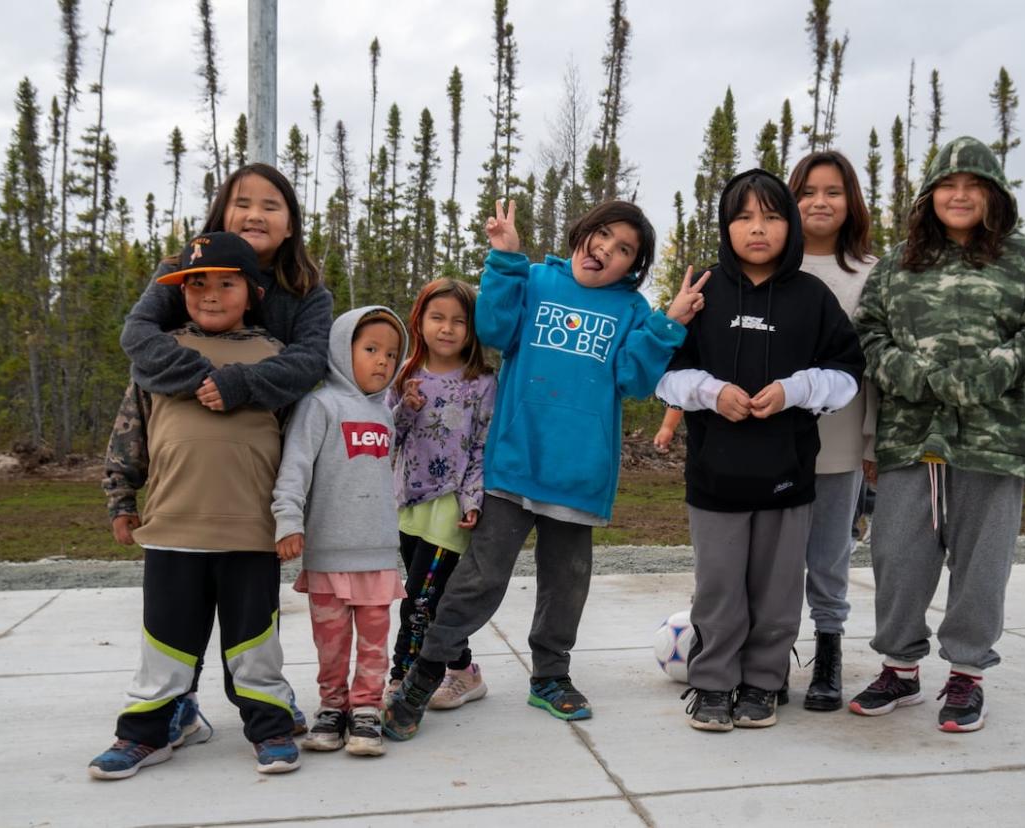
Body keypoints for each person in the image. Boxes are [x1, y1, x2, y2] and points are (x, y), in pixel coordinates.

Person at [383, 199, 708, 740]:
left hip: (578, 475)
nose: (607, 249)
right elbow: (493, 328)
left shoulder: (631, 311)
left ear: (634, 267)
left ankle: (551, 676)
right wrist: (505, 259)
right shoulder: (535, 280)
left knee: (567, 583)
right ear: (581, 232)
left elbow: (632, 380)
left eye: (625, 248)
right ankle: (426, 673)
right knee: (480, 579)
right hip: (514, 464)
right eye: (602, 235)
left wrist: (668, 324)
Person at [848, 136, 1025, 732]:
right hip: (911, 436)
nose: (960, 194)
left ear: (993, 195)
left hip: (993, 439)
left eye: (974, 185)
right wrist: (914, 376)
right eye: (948, 184)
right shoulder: (899, 263)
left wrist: (980, 377)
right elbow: (869, 334)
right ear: (929, 196)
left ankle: (967, 677)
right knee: (897, 554)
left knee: (981, 561)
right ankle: (900, 668)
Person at [122, 162, 330, 740]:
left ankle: (267, 713)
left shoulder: (304, 292)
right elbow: (137, 340)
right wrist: (203, 377)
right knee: (175, 609)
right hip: (183, 482)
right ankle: (169, 711)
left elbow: (310, 364)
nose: (255, 214)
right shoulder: (181, 269)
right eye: (242, 202)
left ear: (290, 224)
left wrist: (240, 384)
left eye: (271, 205)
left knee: (248, 618)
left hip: (255, 484)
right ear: (221, 213)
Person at [657, 169, 864, 732]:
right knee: (719, 588)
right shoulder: (703, 290)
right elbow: (664, 372)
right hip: (714, 477)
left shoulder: (812, 297)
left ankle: (764, 685)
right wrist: (711, 392)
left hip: (788, 475)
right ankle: (713, 683)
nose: (758, 229)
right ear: (726, 226)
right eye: (744, 217)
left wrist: (796, 390)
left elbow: (848, 375)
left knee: (776, 592)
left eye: (772, 216)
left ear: (790, 225)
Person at [90, 232, 301, 780]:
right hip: (172, 528)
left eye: (226, 283)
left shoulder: (272, 359)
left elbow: (299, 448)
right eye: (195, 283)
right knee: (166, 642)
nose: (209, 293)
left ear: (252, 291)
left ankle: (270, 726)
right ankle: (146, 733)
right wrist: (120, 495)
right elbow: (129, 432)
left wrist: (296, 519)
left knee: (255, 643)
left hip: (252, 533)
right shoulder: (160, 358)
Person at [271, 306, 409, 757]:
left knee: (374, 640)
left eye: (391, 354)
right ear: (339, 350)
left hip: (377, 554)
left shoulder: (385, 414)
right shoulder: (319, 405)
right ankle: (332, 707)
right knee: (331, 642)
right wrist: (288, 521)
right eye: (371, 349)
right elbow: (294, 468)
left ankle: (366, 709)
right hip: (329, 552)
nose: (383, 361)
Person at [788, 150, 879, 712]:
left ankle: (828, 652)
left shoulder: (871, 274)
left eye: (833, 192)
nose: (820, 202)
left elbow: (875, 368)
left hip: (840, 440)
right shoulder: (771, 268)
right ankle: (767, 653)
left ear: (852, 204)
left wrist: (870, 442)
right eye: (808, 191)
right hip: (769, 441)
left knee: (829, 554)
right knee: (770, 557)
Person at [385, 279, 496, 710]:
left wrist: (472, 499)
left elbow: (482, 446)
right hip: (408, 504)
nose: (446, 329)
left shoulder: (482, 383)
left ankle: (401, 680)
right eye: (437, 318)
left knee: (418, 599)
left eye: (458, 321)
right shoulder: (405, 376)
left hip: (450, 508)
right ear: (420, 321)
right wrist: (403, 408)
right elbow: (388, 440)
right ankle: (464, 670)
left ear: (472, 330)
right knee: (431, 600)